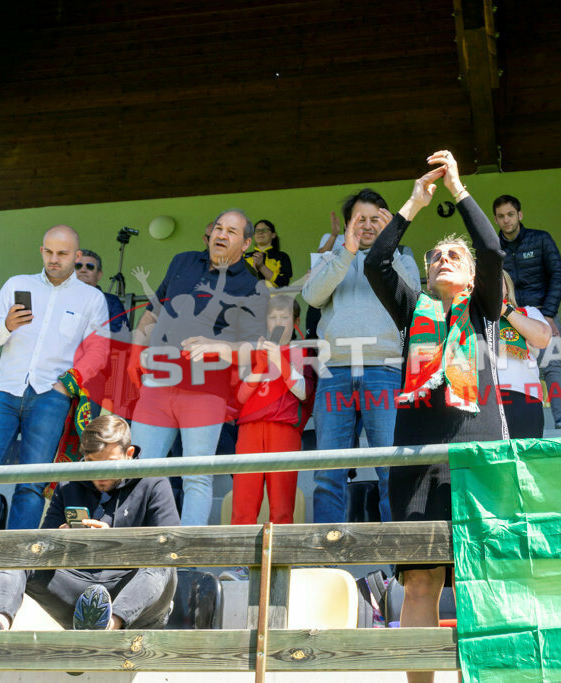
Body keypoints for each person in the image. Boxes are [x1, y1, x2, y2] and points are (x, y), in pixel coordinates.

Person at [364, 150, 507, 683]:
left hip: (478, 465)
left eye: (454, 255)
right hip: (417, 466)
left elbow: (491, 247)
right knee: (420, 582)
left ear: (472, 277)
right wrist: (413, 205)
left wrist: (458, 191)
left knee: (478, 582)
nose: (444, 259)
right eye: (436, 257)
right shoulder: (413, 311)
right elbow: (376, 263)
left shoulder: (483, 311)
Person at [0, 415, 180, 631]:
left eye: (108, 464)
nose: (99, 474)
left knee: (162, 564)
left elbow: (172, 550)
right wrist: (62, 539)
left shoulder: (154, 482)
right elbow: (42, 545)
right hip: (77, 590)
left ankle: (107, 626)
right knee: (21, 550)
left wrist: (114, 541)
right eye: (91, 464)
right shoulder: (70, 482)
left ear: (129, 454)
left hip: (133, 595)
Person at [0, 225, 109, 531]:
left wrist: (68, 384)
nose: (54, 259)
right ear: (41, 250)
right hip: (2, 389)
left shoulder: (91, 298)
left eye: (62, 254)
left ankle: (16, 566)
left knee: (33, 482)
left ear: (76, 256)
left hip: (51, 396)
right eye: (48, 251)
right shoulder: (17, 284)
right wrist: (7, 325)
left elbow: (99, 351)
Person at [128, 209, 268, 526]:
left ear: (246, 244)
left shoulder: (251, 286)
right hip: (159, 379)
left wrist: (219, 346)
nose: (221, 234)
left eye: (231, 231)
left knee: (196, 477)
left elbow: (252, 348)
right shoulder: (183, 261)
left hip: (206, 389)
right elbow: (153, 310)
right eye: (219, 228)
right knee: (136, 469)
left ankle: (187, 560)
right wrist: (135, 353)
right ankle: (132, 555)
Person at [302, 188, 421, 525]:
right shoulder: (330, 256)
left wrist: (391, 246)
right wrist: (347, 249)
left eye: (375, 219)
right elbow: (311, 296)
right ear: (348, 223)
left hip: (383, 368)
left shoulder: (403, 255)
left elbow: (413, 299)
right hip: (334, 371)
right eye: (360, 220)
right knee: (328, 471)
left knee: (390, 467)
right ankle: (327, 560)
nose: (367, 226)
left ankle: (397, 563)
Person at [231, 295, 315, 526]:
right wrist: (258, 367)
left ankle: (279, 562)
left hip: (284, 428)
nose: (278, 322)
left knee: (282, 505)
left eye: (284, 317)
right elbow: (239, 398)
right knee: (243, 503)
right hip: (249, 429)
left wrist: (280, 360)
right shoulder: (254, 351)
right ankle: (241, 562)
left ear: (296, 320)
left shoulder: (303, 351)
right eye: (272, 317)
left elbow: (304, 392)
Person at [493, 194, 561, 429]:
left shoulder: (540, 239)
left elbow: (558, 275)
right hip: (506, 313)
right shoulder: (494, 248)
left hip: (541, 313)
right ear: (495, 219)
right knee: (510, 361)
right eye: (501, 216)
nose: (506, 220)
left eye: (510, 214)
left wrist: (548, 313)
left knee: (553, 363)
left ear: (520, 214)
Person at [496, 271, 553, 438]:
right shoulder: (463, 316)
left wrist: (505, 311)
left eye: (497, 278)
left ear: (507, 287)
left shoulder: (528, 312)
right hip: (480, 399)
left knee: (523, 460)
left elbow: (543, 338)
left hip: (522, 396)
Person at [74, 249, 129, 335]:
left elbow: (122, 338)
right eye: (78, 266)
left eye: (90, 266)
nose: (83, 270)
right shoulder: (61, 299)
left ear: (99, 275)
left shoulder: (112, 302)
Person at [244, 220, 293, 287]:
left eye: (264, 230)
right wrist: (253, 270)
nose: (260, 233)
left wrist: (261, 266)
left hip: (275, 297)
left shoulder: (282, 257)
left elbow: (284, 283)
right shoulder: (244, 257)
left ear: (273, 235)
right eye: (256, 231)